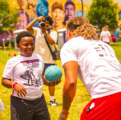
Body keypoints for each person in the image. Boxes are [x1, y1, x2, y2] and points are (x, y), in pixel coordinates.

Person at [59, 16, 121, 120]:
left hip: (108, 96)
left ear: (69, 32)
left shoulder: (70, 45)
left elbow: (70, 82)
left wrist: (64, 111)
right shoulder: (104, 45)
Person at [1, 31, 60, 120]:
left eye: (32, 44)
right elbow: (4, 80)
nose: (29, 47)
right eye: (25, 44)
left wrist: (50, 83)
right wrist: (14, 85)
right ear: (18, 46)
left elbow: (39, 77)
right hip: (21, 102)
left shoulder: (39, 58)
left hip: (40, 101)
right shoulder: (12, 61)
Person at [26, 15, 58, 106]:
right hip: (39, 60)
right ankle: (36, 98)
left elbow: (52, 42)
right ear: (40, 24)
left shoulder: (53, 33)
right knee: (36, 80)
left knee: (51, 81)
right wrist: (36, 19)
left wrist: (45, 32)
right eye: (44, 23)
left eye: (47, 24)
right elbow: (28, 28)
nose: (45, 25)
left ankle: (52, 99)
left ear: (50, 25)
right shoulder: (37, 31)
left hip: (50, 60)